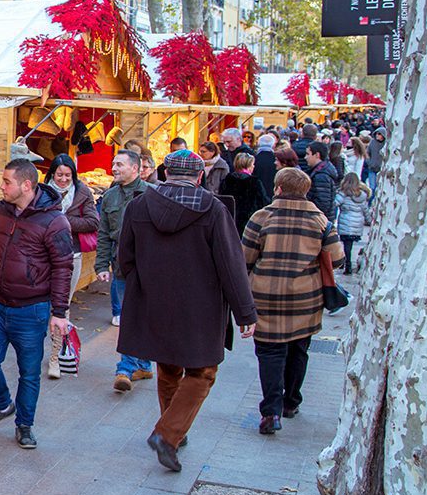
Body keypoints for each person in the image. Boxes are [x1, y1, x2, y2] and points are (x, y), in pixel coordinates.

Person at [116, 151, 257, 471]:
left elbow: (124, 258)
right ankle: (168, 434)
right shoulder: (213, 209)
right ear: (199, 176)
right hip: (200, 305)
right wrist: (245, 313)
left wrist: (145, 284)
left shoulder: (138, 206)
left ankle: (174, 429)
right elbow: (231, 265)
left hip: (154, 300)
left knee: (168, 367)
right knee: (203, 372)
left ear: (165, 173)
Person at [0, 158, 73, 450]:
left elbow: (63, 267)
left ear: (26, 185)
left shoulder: (55, 221)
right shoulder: (1, 209)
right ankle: (3, 404)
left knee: (28, 372)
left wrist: (59, 312)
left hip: (32, 310)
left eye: (7, 182)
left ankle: (24, 425)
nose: (2, 186)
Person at [242, 169, 344, 434]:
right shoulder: (320, 221)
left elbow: (245, 259)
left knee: (270, 353)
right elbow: (337, 259)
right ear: (305, 191)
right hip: (305, 299)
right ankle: (290, 402)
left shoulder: (261, 217)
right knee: (299, 350)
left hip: (265, 296)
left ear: (277, 188)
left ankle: (270, 412)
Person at [95, 150, 154, 391]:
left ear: (136, 168)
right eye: (113, 164)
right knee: (132, 317)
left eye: (119, 164)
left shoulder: (152, 195)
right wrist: (101, 265)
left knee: (135, 318)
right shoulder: (109, 197)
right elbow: (103, 235)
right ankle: (142, 365)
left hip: (147, 268)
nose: (114, 168)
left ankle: (125, 368)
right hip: (120, 268)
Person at [43, 155, 98, 379]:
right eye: (59, 175)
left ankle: (55, 358)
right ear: (52, 174)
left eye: (68, 175)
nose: (64, 179)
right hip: (42, 256)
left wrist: (63, 220)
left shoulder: (83, 192)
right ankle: (34, 351)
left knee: (61, 306)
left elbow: (93, 222)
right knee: (39, 306)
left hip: (70, 255)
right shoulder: (41, 192)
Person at [220, 153, 270, 235]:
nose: (254, 166)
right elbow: (263, 201)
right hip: (249, 221)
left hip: (229, 220)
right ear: (248, 165)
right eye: (252, 164)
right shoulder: (254, 182)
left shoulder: (227, 180)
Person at [334, 173, 373, 275]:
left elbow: (335, 203)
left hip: (345, 223)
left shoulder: (343, 194)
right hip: (357, 224)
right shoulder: (362, 196)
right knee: (349, 245)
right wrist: (370, 221)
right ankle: (346, 263)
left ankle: (347, 264)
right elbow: (365, 211)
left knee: (345, 244)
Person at [304, 142, 339, 222]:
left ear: (317, 155)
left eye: (307, 154)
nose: (305, 157)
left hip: (318, 220)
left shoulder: (321, 176)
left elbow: (323, 204)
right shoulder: (321, 171)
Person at [253, 134, 278, 201]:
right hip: (273, 194)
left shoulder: (254, 160)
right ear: (273, 145)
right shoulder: (276, 160)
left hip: (257, 195)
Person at [366, 126, 387, 195]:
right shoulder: (372, 142)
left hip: (381, 170)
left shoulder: (386, 144)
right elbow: (367, 153)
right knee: (372, 187)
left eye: (379, 134)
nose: (377, 135)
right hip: (372, 168)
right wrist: (369, 162)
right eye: (377, 133)